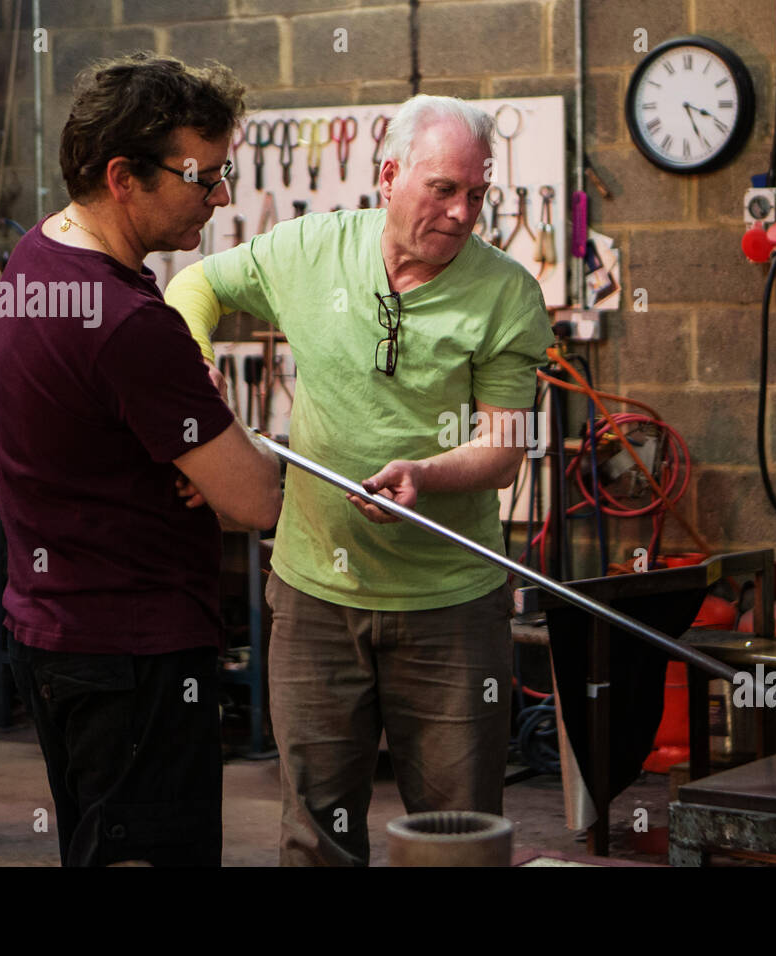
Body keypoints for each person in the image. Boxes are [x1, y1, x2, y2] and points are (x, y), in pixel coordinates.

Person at [165, 94, 553, 866]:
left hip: (450, 606)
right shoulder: (308, 251)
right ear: (388, 175)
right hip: (315, 599)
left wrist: (427, 473)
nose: (462, 212)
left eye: (477, 194)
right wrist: (191, 359)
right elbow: (194, 286)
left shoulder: (507, 292)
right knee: (317, 838)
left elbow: (506, 447)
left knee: (458, 838)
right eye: (443, 189)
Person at [0, 53, 282, 867]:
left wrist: (180, 431)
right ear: (124, 176)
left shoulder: (40, 258)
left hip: (55, 637)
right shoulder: (127, 323)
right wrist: (211, 441)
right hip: (134, 659)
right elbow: (256, 499)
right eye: (202, 178)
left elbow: (99, 419)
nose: (219, 198)